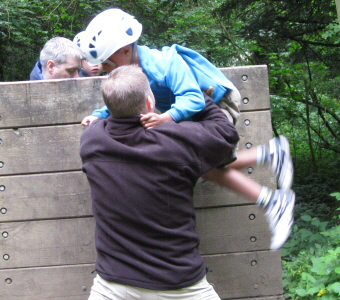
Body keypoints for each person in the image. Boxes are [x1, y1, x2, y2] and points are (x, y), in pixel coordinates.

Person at [77, 8, 295, 250]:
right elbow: (123, 99)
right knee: (203, 168)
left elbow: (194, 99)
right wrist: (97, 116)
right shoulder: (133, 70)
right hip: (193, 115)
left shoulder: (163, 63)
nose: (105, 68)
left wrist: (166, 117)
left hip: (218, 105)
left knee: (202, 167)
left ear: (126, 50)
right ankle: (271, 158)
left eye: (107, 62)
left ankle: (274, 199)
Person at [80, 65, 291, 300]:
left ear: (108, 108)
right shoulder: (178, 140)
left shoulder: (91, 139)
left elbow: (102, 120)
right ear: (150, 103)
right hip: (179, 286)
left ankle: (272, 158)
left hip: (111, 286)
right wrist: (195, 92)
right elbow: (225, 133)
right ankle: (272, 158)